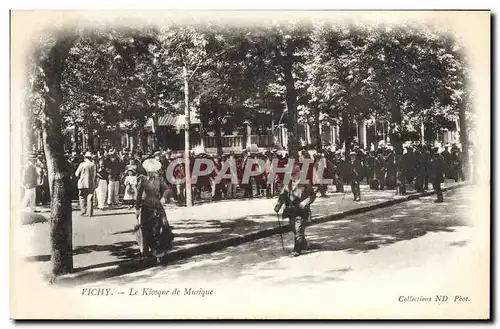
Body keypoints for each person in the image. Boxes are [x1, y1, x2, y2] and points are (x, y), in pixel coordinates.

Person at [274, 152, 317, 257]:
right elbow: (283, 195)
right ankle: (303, 242)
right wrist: (278, 206)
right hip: (291, 211)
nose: (293, 175)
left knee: (298, 229)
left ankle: (297, 249)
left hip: (301, 211)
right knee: (294, 229)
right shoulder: (287, 184)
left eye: (295, 172)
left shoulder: (305, 183)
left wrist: (305, 202)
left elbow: (312, 195)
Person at [134, 159, 174, 261]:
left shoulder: (159, 179)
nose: (151, 173)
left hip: (157, 205)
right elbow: (139, 195)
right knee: (146, 229)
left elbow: (166, 189)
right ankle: (146, 252)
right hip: (146, 207)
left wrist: (164, 197)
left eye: (152, 171)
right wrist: (137, 208)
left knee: (159, 229)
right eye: (149, 171)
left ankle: (159, 252)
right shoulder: (143, 180)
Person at [75, 151, 97, 217]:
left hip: (82, 183)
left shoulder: (82, 164)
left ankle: (83, 212)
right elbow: (95, 175)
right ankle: (90, 213)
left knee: (82, 198)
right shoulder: (93, 165)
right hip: (91, 184)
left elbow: (76, 174)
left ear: (85, 157)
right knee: (90, 198)